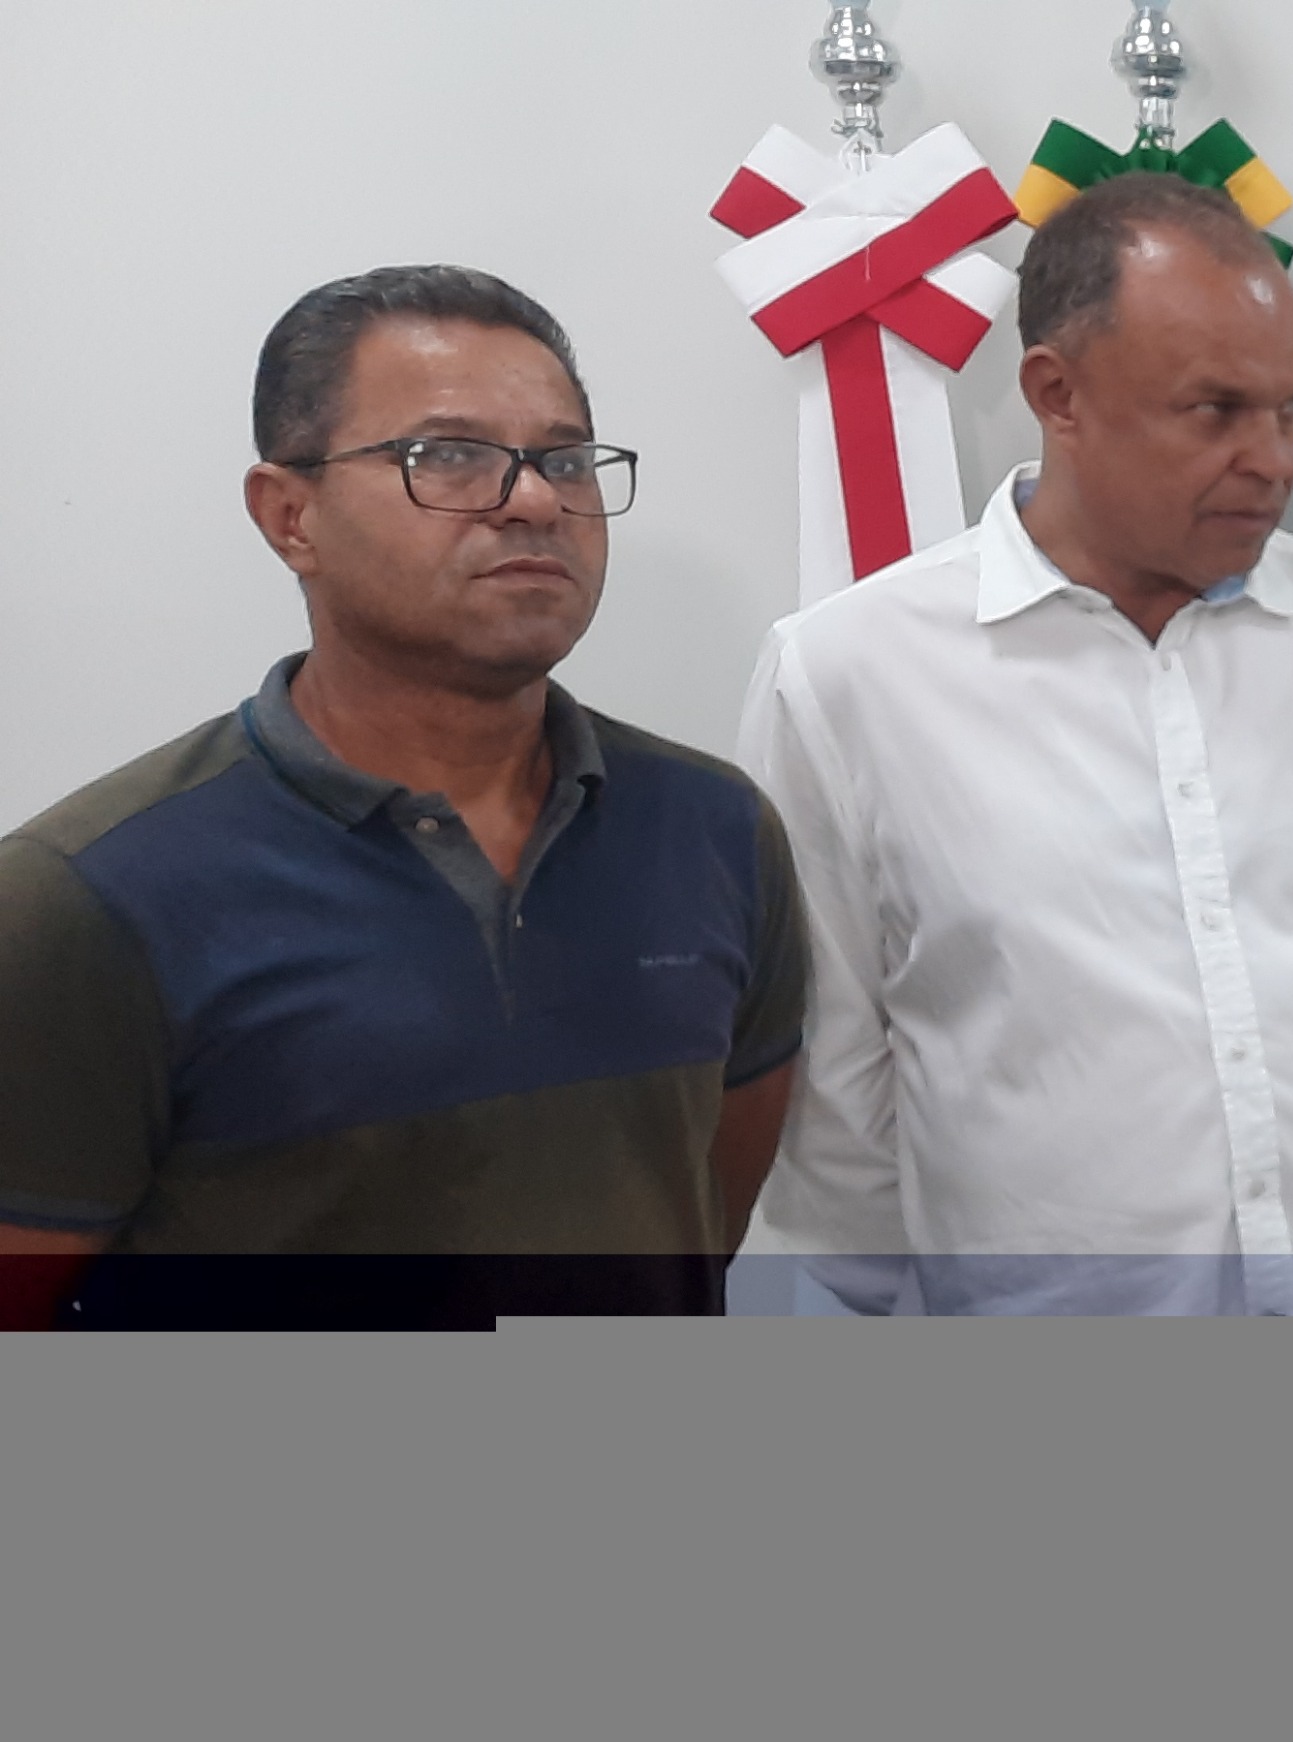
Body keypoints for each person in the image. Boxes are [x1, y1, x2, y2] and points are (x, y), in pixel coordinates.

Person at [736, 174, 1293, 1317]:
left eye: (1287, 408)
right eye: (1215, 410)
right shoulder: (848, 672)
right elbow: (832, 1096)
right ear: (1059, 393)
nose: (1275, 460)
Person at [0, 266, 806, 1330]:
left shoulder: (714, 830)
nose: (535, 499)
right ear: (291, 516)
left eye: (565, 458)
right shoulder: (87, 899)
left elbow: (700, 1218)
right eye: (448, 455)